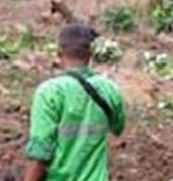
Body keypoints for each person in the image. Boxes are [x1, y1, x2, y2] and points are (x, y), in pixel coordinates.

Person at [24, 23, 126, 181]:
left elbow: (40, 152)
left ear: (59, 53)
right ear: (91, 53)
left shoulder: (49, 92)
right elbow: (117, 128)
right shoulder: (110, 90)